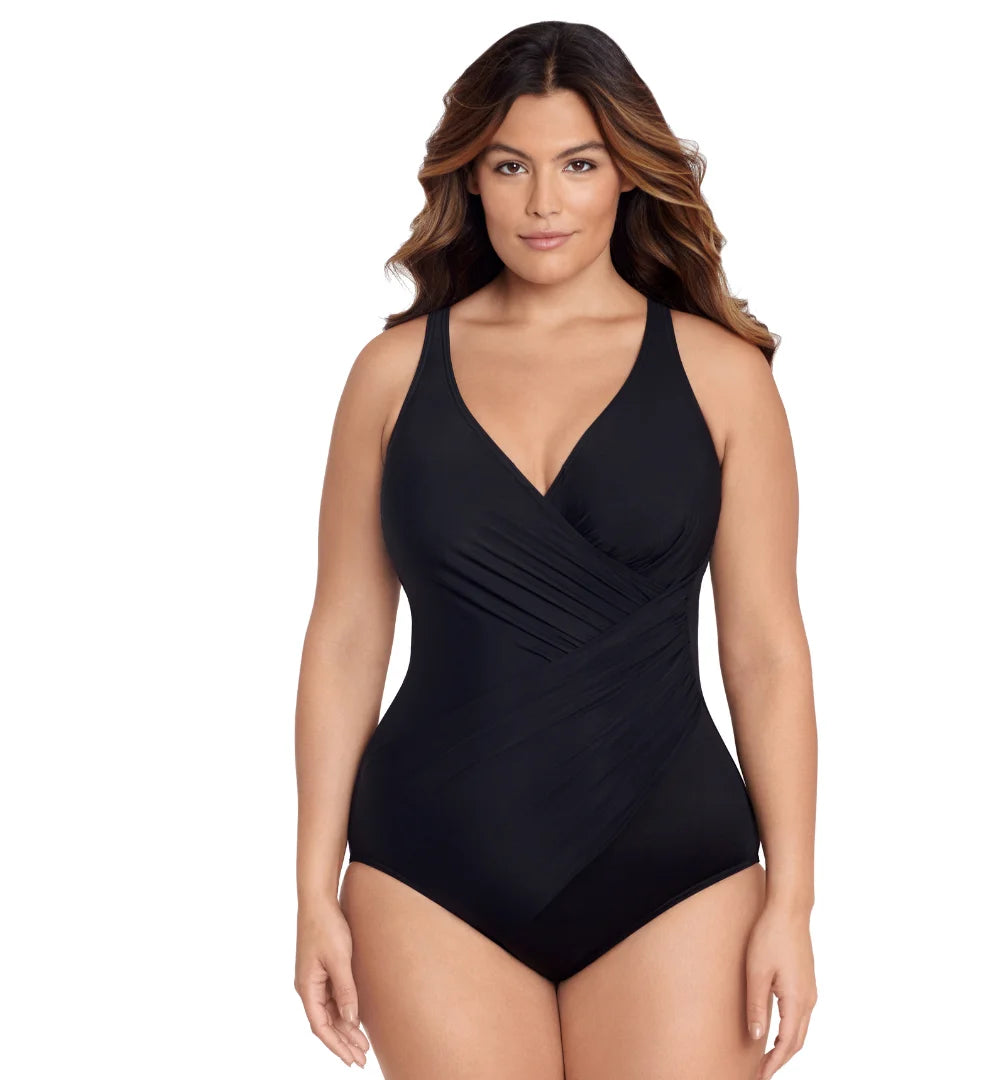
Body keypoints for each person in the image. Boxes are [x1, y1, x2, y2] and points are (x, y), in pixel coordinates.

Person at [294, 20, 817, 1080]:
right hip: (428, 868)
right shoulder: (389, 377)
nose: (543, 202)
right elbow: (345, 636)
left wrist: (794, 901)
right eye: (510, 166)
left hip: (677, 872)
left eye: (578, 164)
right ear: (469, 177)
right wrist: (311, 888)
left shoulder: (724, 377)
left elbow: (765, 651)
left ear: (626, 173)